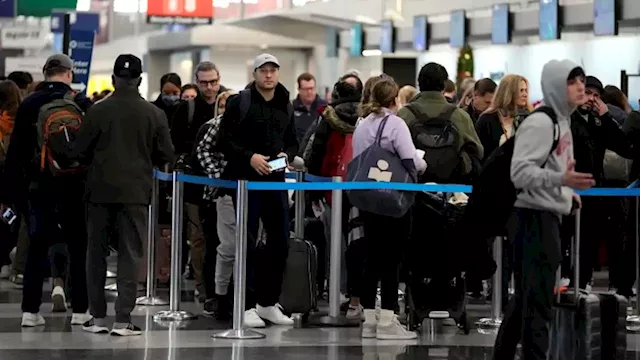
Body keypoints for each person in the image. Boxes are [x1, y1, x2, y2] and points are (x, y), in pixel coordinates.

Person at [492, 60, 595, 360]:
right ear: (554, 86)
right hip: (532, 219)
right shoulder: (541, 122)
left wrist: (565, 192)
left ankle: (504, 354)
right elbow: (520, 173)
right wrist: (560, 180)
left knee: (527, 298)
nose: (580, 87)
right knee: (537, 303)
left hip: (544, 216)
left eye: (581, 81)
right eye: (571, 81)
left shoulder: (563, 121)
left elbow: (550, 168)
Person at [69, 54, 174, 336]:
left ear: (114, 79)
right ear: (140, 79)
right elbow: (167, 154)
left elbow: (79, 152)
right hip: (135, 192)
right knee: (130, 253)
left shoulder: (96, 111)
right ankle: (123, 319)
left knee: (96, 253)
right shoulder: (155, 114)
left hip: (98, 190)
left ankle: (98, 317)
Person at [1, 54, 92, 328]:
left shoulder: (29, 104)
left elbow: (16, 152)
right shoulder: (81, 103)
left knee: (38, 244)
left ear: (45, 72)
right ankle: (80, 310)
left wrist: (13, 194)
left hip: (38, 186)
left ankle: (30, 311)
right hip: (74, 185)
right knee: (77, 245)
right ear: (69, 73)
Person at [218, 53, 297, 328]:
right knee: (247, 242)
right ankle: (245, 304)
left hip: (275, 181)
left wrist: (286, 155)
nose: (268, 75)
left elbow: (293, 141)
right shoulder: (240, 103)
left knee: (280, 241)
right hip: (245, 181)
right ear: (254, 74)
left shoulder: (285, 103)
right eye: (263, 70)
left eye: (273, 70)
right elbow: (224, 141)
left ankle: (267, 302)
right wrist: (250, 157)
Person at [354, 77, 426, 340]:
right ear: (395, 99)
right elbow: (411, 161)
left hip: (368, 198)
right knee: (392, 258)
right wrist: (421, 160)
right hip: (393, 200)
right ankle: (388, 319)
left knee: (373, 256)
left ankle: (370, 319)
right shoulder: (395, 124)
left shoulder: (362, 124)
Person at [566, 75, 635, 293]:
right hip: (572, 191)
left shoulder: (597, 121)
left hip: (597, 192)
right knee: (576, 244)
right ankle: (575, 284)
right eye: (587, 94)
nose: (591, 99)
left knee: (600, 241)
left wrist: (605, 117)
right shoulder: (567, 119)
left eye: (596, 96)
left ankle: (615, 287)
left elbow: (623, 147)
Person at [171, 61, 227, 300]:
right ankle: (202, 286)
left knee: (222, 237)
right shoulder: (187, 109)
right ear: (196, 81)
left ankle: (220, 288)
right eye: (204, 83)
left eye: (213, 82)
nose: (209, 87)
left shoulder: (230, 102)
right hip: (195, 183)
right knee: (198, 238)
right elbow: (176, 143)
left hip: (224, 183)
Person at [398, 62, 483, 183]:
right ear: (444, 86)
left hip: (412, 184)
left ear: (419, 84)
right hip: (452, 187)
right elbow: (478, 151)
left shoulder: (404, 114)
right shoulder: (460, 116)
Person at [195, 90, 237, 318]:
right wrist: (218, 174)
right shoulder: (217, 125)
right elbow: (201, 151)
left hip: (246, 191)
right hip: (220, 194)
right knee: (223, 247)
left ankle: (238, 296)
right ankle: (218, 296)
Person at [476, 74, 530, 162]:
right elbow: (480, 154)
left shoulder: (528, 118)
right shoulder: (487, 119)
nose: (525, 94)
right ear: (509, 92)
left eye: (526, 90)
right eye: (521, 90)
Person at [0, 80, 21, 279]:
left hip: (1, 174)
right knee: (16, 215)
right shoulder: (23, 117)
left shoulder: (0, 121)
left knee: (3, 215)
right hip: (18, 175)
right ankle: (17, 254)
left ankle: (4, 260)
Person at [293, 73, 327, 143]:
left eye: (311, 88)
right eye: (306, 89)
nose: (309, 92)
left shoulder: (324, 108)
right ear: (299, 89)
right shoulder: (291, 108)